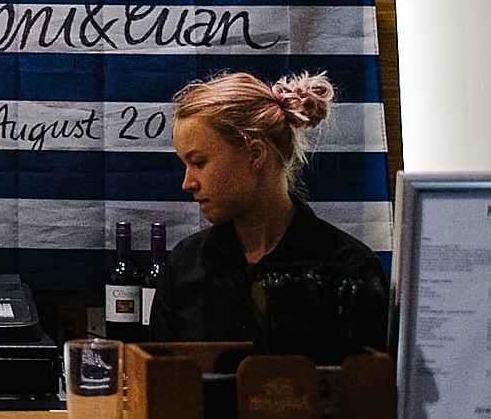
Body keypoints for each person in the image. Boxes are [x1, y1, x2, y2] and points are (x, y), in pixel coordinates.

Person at [148, 70, 387, 352]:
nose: (187, 183)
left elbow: (368, 389)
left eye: (198, 162)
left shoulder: (349, 268)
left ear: (255, 154)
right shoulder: (183, 267)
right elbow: (161, 386)